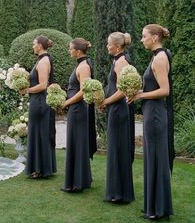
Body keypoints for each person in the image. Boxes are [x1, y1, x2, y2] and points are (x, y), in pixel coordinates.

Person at [130, 24, 174, 220]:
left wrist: (141, 95)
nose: (141, 39)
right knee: (152, 158)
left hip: (155, 115)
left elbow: (165, 90)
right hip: (152, 113)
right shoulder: (157, 56)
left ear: (155, 38)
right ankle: (154, 206)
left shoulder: (160, 58)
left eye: (144, 36)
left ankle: (157, 209)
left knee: (156, 158)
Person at [100, 32, 134, 203]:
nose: (107, 46)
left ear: (118, 46)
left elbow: (122, 91)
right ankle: (118, 191)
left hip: (119, 110)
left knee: (118, 148)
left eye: (109, 44)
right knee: (115, 148)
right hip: (115, 109)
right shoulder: (117, 60)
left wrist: (105, 101)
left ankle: (119, 193)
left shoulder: (121, 62)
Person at [61, 38, 95, 192]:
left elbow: (83, 91)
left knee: (78, 143)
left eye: (70, 48)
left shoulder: (84, 66)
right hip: (75, 108)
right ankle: (79, 179)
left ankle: (78, 182)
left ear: (78, 51)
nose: (69, 51)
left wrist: (67, 103)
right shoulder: (81, 64)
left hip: (78, 109)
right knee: (75, 142)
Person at [20, 35, 56, 179]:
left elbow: (42, 86)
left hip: (40, 102)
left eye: (34, 44)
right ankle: (42, 167)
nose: (32, 46)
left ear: (40, 46)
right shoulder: (44, 60)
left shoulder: (42, 62)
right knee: (40, 133)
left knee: (38, 133)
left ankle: (40, 169)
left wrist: (26, 90)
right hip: (40, 101)